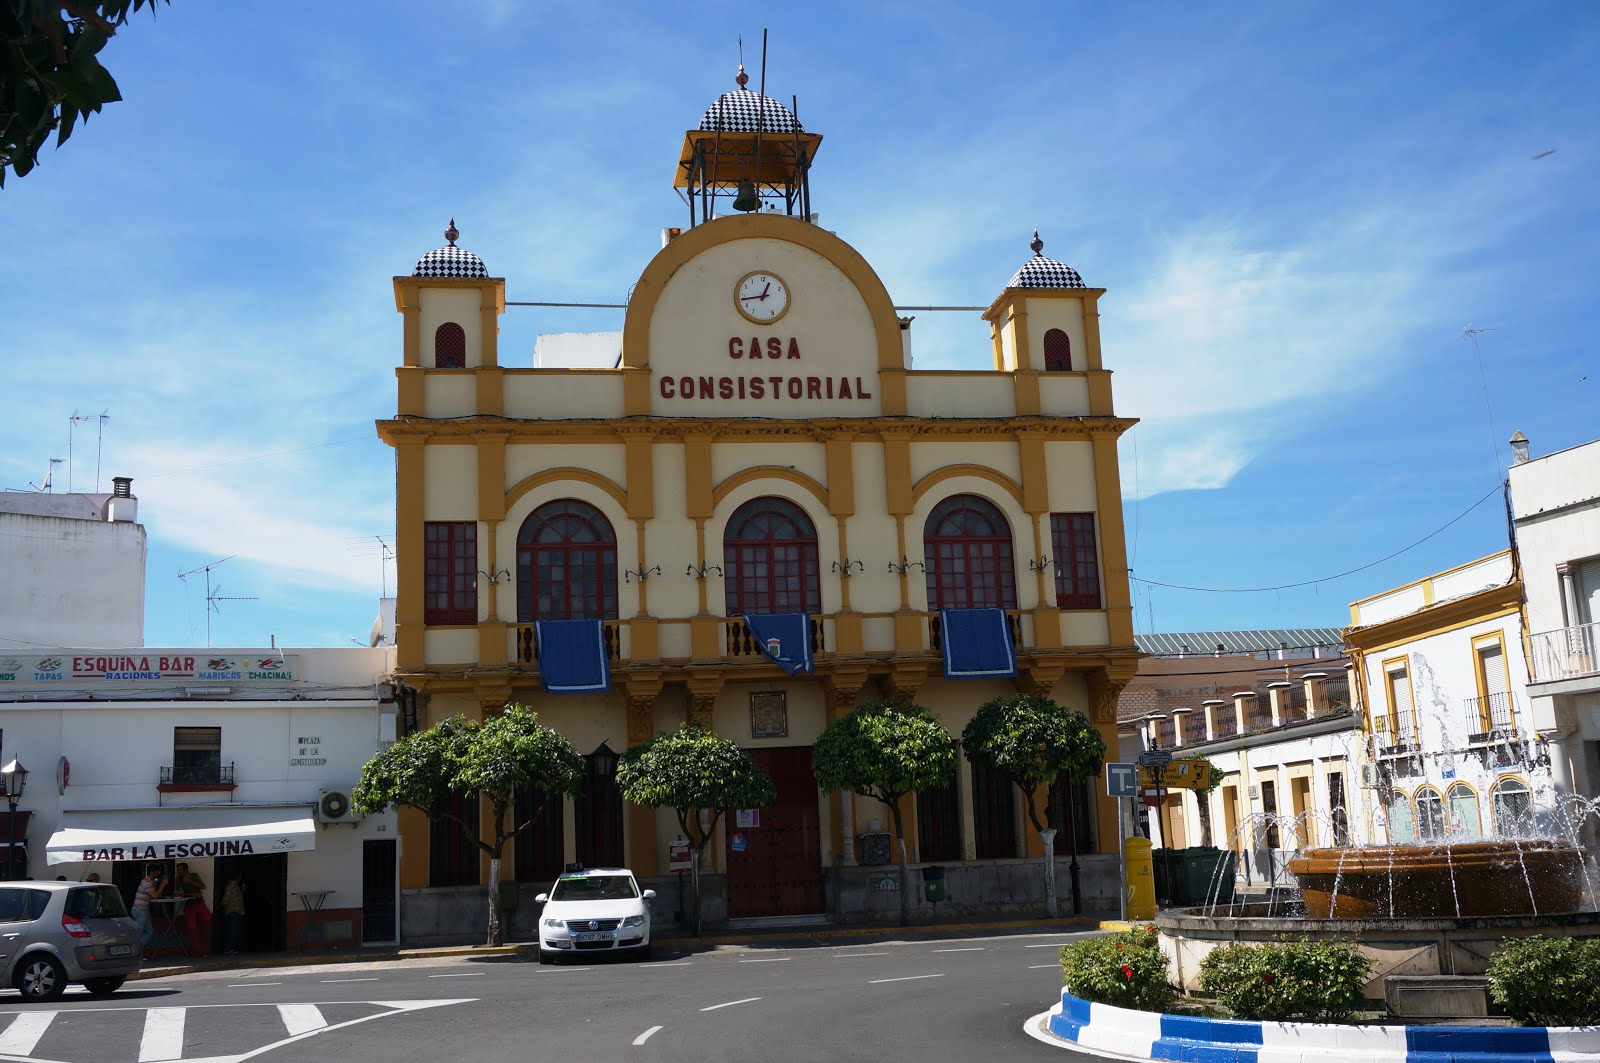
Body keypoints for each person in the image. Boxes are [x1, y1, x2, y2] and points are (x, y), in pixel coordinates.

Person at [174, 863, 213, 955]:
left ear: (185, 870)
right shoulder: (178, 879)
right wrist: (193, 895)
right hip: (189, 905)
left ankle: (205, 950)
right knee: (192, 929)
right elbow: (179, 893)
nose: (178, 872)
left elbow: (203, 886)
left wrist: (190, 881)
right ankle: (197, 950)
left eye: (180, 870)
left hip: (199, 903)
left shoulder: (194, 876)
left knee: (206, 923)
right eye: (177, 870)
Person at [132, 864, 165, 955]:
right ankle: (135, 952)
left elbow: (156, 894)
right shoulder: (146, 882)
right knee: (140, 932)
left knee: (149, 931)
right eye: (157, 872)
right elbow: (154, 895)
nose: (158, 874)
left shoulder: (150, 882)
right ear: (153, 872)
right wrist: (162, 885)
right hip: (140, 910)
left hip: (144, 909)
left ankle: (137, 950)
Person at [220, 870, 246, 955]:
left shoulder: (236, 886)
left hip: (237, 911)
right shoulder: (230, 886)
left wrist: (242, 891)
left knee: (234, 930)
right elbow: (225, 899)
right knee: (232, 931)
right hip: (232, 911)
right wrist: (224, 910)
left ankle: (232, 948)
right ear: (237, 877)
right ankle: (229, 948)